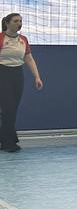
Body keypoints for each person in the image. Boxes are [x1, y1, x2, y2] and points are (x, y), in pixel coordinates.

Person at [1, 13, 44, 153]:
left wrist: (37, 77)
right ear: (7, 23)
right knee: (8, 108)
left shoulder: (23, 39)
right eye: (15, 21)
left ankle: (8, 138)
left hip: (17, 75)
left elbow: (29, 59)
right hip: (2, 74)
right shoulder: (1, 38)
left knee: (13, 108)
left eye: (20, 21)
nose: (19, 23)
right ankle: (7, 142)